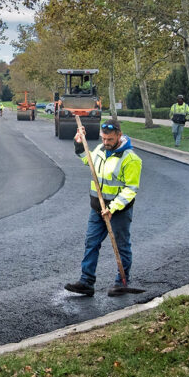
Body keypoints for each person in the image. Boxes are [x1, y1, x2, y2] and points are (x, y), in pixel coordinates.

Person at [65, 121, 143, 297]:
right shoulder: (100, 149)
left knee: (121, 245)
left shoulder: (131, 159)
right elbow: (88, 160)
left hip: (118, 211)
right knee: (91, 242)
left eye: (110, 139)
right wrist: (79, 143)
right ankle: (86, 282)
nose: (106, 142)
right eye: (104, 138)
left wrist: (113, 208)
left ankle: (122, 282)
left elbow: (131, 189)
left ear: (119, 135)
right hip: (97, 208)